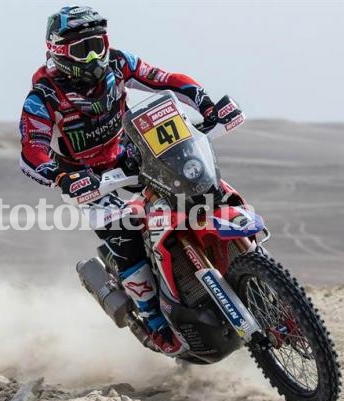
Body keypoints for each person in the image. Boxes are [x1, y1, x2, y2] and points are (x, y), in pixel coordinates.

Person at [18, 6, 219, 355]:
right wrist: (60, 175)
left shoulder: (119, 62)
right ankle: (155, 323)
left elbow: (164, 78)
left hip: (132, 153)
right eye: (84, 48)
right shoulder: (44, 97)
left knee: (195, 184)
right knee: (125, 234)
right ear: (60, 53)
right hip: (87, 180)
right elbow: (32, 149)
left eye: (100, 43)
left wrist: (203, 99)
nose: (96, 54)